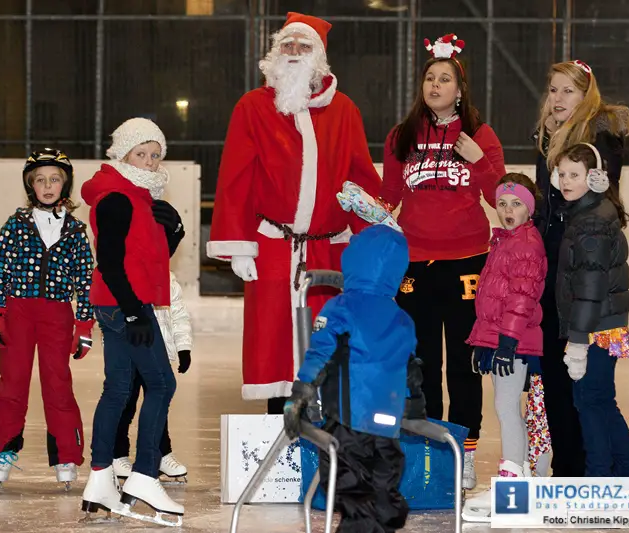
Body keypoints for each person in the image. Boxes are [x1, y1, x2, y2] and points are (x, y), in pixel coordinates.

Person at [207, 12, 382, 413]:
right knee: (274, 346)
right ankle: (279, 430)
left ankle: (324, 434)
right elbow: (236, 177)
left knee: (327, 343)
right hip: (272, 247)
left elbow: (360, 179)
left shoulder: (344, 111)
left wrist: (371, 242)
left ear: (319, 57)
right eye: (287, 45)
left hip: (328, 251)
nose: (294, 52)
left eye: (304, 46)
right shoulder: (252, 107)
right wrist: (239, 246)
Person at [379, 34, 506, 489]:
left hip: (468, 263)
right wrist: (365, 210)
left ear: (460, 88)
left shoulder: (481, 135)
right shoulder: (402, 135)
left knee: (465, 366)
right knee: (422, 364)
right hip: (414, 265)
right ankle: (430, 452)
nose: (435, 85)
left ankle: (465, 453)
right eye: (430, 77)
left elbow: (501, 197)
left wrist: (478, 161)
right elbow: (389, 197)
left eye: (444, 78)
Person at [80, 118, 185, 527]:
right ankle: (144, 475)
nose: (150, 162)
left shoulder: (139, 198)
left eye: (156, 155)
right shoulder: (117, 198)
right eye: (141, 153)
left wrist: (173, 232)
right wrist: (132, 310)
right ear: (123, 154)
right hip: (124, 304)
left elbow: (147, 256)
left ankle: (100, 479)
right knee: (162, 384)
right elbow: (109, 262)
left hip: (119, 303)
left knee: (119, 388)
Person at [532, 59, 629, 477]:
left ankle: (601, 472)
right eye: (553, 89)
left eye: (568, 90)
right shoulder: (549, 136)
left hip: (581, 270)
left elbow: (600, 201)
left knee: (588, 390)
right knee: (561, 381)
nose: (558, 98)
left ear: (586, 95)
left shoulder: (597, 139)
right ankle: (573, 467)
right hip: (555, 266)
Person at [284, 224, 420, 533]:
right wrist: (415, 408)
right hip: (388, 425)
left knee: (349, 487)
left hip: (347, 421)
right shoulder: (402, 318)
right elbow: (411, 368)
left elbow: (319, 354)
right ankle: (385, 513)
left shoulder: (341, 307)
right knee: (384, 481)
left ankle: (365, 523)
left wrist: (300, 394)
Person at [0, 149, 95, 490]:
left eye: (55, 179)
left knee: (57, 384)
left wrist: (84, 325)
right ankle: (4, 449)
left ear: (65, 185)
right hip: (18, 311)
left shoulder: (75, 230)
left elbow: (85, 279)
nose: (48, 186)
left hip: (57, 313)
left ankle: (66, 454)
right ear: (30, 185)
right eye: (40, 180)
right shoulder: (15, 224)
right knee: (12, 382)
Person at [462, 173, 547, 522]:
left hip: (515, 341)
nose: (508, 210)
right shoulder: (505, 241)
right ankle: (522, 475)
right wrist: (482, 340)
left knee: (506, 407)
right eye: (502, 203)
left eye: (516, 204)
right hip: (502, 339)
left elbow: (522, 298)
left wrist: (507, 343)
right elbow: (491, 298)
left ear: (529, 208)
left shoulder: (526, 243)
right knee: (508, 407)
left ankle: (512, 480)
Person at [553, 143, 629, 477]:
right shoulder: (586, 214)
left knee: (590, 402)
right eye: (562, 174)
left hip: (596, 329)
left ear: (594, 177)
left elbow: (590, 288)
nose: (566, 181)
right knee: (598, 400)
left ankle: (600, 476)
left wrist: (577, 341)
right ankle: (625, 473)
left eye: (574, 175)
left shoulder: (591, 222)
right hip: (601, 324)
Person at [112, 275, 193, 484]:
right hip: (131, 348)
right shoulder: (126, 274)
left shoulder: (168, 279)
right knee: (126, 401)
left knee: (158, 402)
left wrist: (183, 347)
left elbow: (178, 314)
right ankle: (117, 454)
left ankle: (161, 452)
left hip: (158, 352)